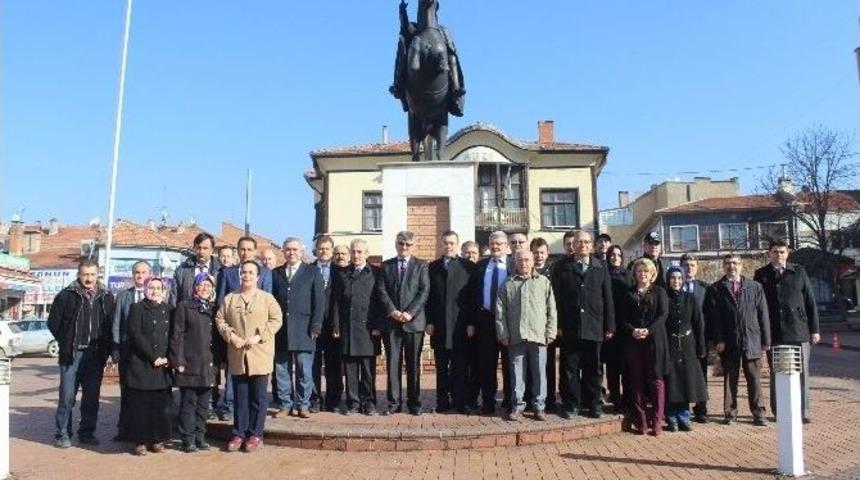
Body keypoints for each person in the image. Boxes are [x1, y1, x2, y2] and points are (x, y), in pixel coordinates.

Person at [216, 260, 283, 452]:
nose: (246, 275)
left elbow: (276, 319)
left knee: (258, 398)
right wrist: (232, 336)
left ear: (258, 276)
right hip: (238, 354)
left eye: (250, 272)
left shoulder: (267, 298)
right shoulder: (230, 298)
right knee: (240, 397)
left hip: (259, 354)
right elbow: (220, 319)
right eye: (243, 272)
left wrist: (259, 336)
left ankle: (255, 434)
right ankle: (238, 434)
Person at [48, 259, 116, 448]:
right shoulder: (66, 295)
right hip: (72, 355)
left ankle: (86, 433)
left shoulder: (107, 296)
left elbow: (111, 326)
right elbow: (53, 322)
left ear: (97, 275)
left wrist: (108, 351)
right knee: (67, 397)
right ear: (79, 274)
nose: (89, 278)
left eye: (92, 274)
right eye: (85, 274)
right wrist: (67, 340)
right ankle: (62, 434)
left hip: (95, 355)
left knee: (91, 398)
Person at [754, 239, 820, 423]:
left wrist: (814, 329)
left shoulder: (799, 272)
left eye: (782, 252)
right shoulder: (761, 275)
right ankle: (779, 410)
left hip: (799, 330)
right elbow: (758, 306)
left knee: (802, 373)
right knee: (777, 373)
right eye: (775, 252)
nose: (778, 255)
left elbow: (810, 302)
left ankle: (803, 410)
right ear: (769, 254)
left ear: (787, 253)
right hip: (774, 332)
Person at [551, 230, 615, 419]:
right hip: (570, 327)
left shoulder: (600, 266)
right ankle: (571, 405)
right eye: (579, 242)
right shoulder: (562, 267)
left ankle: (594, 404)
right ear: (574, 244)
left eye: (587, 242)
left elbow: (607, 298)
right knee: (570, 369)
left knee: (593, 369)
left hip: (594, 327)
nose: (583, 245)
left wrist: (609, 326)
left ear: (592, 245)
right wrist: (558, 325)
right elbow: (556, 299)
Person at [706, 253, 771, 426]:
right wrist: (718, 340)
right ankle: (730, 413)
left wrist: (766, 339)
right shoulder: (716, 288)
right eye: (727, 263)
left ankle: (759, 413)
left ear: (741, 265)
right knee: (730, 379)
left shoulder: (755, 287)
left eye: (735, 263)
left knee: (754, 378)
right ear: (723, 266)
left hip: (752, 338)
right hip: (729, 340)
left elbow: (763, 314)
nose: (731, 266)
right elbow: (715, 318)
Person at [214, 236, 273, 420]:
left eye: (249, 249)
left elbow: (267, 302)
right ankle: (229, 405)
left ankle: (252, 420)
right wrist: (230, 333)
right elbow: (221, 302)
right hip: (234, 333)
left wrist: (259, 334)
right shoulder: (228, 272)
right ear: (237, 251)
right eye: (242, 249)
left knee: (256, 381)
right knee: (234, 372)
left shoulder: (264, 272)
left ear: (254, 251)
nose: (245, 252)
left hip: (256, 337)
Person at [496, 250, 557, 421]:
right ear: (515, 262)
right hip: (516, 337)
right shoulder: (507, 284)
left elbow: (551, 309)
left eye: (527, 260)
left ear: (532, 261)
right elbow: (501, 313)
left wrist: (550, 332)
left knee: (539, 374)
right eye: (520, 260)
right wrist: (503, 334)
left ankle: (539, 406)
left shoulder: (543, 282)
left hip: (539, 336)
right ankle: (517, 406)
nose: (524, 263)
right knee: (517, 375)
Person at [374, 230, 430, 416]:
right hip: (391, 323)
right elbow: (381, 290)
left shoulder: (421, 265)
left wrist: (409, 313)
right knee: (393, 364)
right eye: (401, 244)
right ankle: (393, 402)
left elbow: (424, 291)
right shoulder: (386, 265)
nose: (404, 247)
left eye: (408, 245)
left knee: (413, 364)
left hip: (413, 323)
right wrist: (393, 311)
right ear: (396, 244)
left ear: (413, 246)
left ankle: (414, 403)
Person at [271, 237, 325, 418]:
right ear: (283, 251)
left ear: (301, 252)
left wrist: (316, 325)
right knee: (282, 370)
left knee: (304, 370)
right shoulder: (275, 273)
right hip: (281, 329)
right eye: (288, 249)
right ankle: (285, 404)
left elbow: (319, 302)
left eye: (295, 249)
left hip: (305, 329)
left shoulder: (312, 272)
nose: (291, 253)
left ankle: (303, 404)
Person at [426, 231, 476, 413]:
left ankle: (460, 401)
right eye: (446, 242)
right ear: (441, 244)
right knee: (441, 368)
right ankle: (442, 402)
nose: (449, 246)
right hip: (439, 326)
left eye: (452, 243)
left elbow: (472, 298)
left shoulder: (468, 267)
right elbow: (429, 297)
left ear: (457, 244)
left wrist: (471, 323)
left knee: (460, 367)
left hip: (460, 326)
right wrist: (429, 321)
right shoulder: (432, 267)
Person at [331, 239, 380, 415]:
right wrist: (336, 325)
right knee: (350, 370)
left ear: (367, 254)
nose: (356, 255)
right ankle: (353, 402)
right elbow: (336, 301)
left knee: (368, 371)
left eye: (360, 252)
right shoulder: (342, 274)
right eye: (353, 252)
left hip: (368, 329)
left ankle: (369, 403)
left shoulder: (375, 273)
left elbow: (379, 302)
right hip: (348, 328)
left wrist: (377, 326)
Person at [124, 277, 173, 455]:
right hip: (142, 364)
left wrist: (168, 357)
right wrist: (153, 357)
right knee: (141, 406)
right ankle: (140, 441)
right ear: (145, 289)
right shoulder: (137, 308)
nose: (155, 291)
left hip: (163, 366)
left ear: (163, 290)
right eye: (151, 287)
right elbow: (135, 334)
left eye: (158, 288)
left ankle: (157, 439)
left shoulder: (168, 309)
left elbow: (173, 335)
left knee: (159, 406)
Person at [620, 258, 669, 435]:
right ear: (635, 274)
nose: (642, 274)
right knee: (637, 380)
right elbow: (623, 318)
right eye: (639, 271)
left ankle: (657, 420)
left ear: (652, 274)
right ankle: (641, 420)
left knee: (656, 380)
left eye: (645, 271)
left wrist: (649, 330)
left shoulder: (659, 292)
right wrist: (632, 331)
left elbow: (663, 315)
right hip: (633, 342)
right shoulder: (628, 293)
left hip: (654, 341)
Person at [169, 273, 217, 453]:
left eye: (209, 285)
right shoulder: (185, 306)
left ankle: (200, 436)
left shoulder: (212, 309)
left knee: (204, 404)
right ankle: (187, 439)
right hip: (189, 362)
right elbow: (177, 334)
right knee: (189, 403)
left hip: (208, 364)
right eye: (202, 285)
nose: (205, 288)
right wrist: (178, 359)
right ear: (195, 287)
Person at [472, 231, 515, 414]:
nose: (495, 247)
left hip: (508, 321)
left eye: (499, 243)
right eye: (492, 243)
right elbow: (473, 295)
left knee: (509, 363)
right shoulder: (481, 266)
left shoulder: (514, 265)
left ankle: (508, 400)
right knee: (486, 364)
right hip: (486, 321)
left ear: (506, 246)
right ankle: (488, 401)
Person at [664, 267, 708, 432]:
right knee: (672, 381)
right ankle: (671, 416)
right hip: (670, 343)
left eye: (679, 278)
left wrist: (701, 346)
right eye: (673, 278)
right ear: (668, 280)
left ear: (683, 280)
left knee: (685, 381)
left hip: (688, 344)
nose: (676, 281)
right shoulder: (664, 297)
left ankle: (684, 416)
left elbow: (698, 323)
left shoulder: (691, 299)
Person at [111, 260, 150, 441]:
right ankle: (124, 430)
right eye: (137, 272)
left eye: (143, 272)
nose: (140, 276)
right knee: (127, 391)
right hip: (127, 351)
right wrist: (116, 347)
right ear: (133, 275)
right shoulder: (124, 296)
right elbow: (117, 322)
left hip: (149, 354)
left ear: (149, 274)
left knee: (147, 393)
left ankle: (147, 432)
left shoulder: (156, 294)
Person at [524, 237, 558, 412]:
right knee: (530, 366)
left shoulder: (554, 272)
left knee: (548, 365)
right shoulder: (524, 271)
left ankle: (549, 400)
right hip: (528, 327)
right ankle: (530, 399)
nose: (538, 256)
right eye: (535, 252)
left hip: (546, 328)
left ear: (547, 253)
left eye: (542, 252)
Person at [310, 235, 343, 412]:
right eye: (320, 249)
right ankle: (314, 399)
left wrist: (338, 324)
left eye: (327, 249)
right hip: (314, 326)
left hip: (333, 325)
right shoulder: (308, 270)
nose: (323, 252)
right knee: (313, 364)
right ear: (316, 250)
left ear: (332, 250)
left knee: (333, 365)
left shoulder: (340, 271)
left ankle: (333, 400)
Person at [681, 253, 712, 424]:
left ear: (697, 268)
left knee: (701, 375)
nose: (689, 268)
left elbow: (709, 315)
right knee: (682, 374)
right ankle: (683, 408)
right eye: (686, 265)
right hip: (681, 339)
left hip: (700, 339)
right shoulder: (674, 286)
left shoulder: (705, 288)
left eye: (692, 265)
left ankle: (701, 409)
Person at [605, 245, 633, 412]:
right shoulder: (603, 273)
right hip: (610, 327)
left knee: (627, 365)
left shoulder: (628, 275)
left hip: (626, 327)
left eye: (618, 255)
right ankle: (615, 397)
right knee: (612, 366)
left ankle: (628, 397)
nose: (615, 257)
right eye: (612, 255)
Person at [173, 232, 222, 304]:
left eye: (205, 248)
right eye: (199, 248)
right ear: (194, 249)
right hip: (187, 313)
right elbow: (174, 297)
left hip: (212, 313)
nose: (201, 252)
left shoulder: (220, 271)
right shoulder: (181, 271)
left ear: (212, 250)